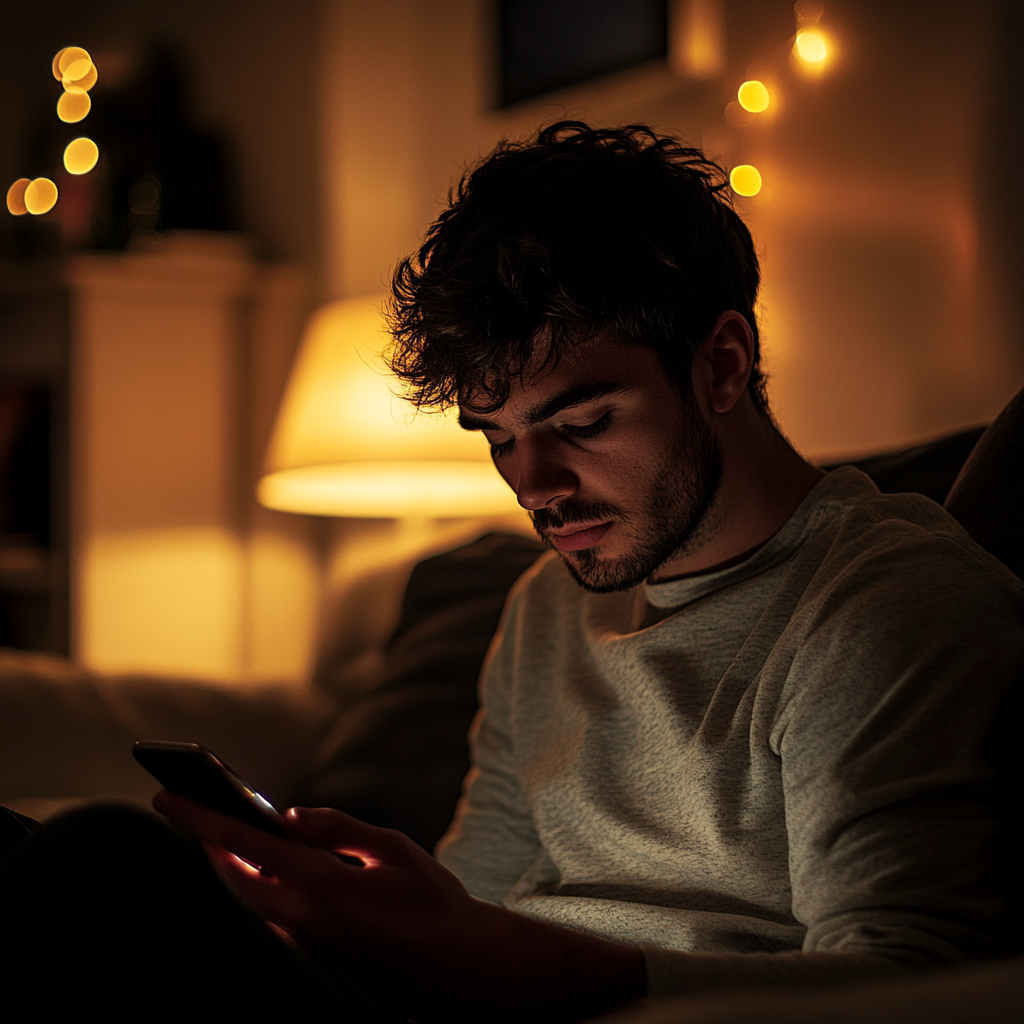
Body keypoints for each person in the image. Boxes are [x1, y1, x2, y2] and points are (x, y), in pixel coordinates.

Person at [4, 122, 1021, 1021]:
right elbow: (476, 902)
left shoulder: (884, 604)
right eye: (497, 437)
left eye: (580, 424)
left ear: (720, 366)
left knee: (102, 864)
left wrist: (551, 968)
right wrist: (371, 917)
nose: (534, 486)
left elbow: (914, 976)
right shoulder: (543, 604)